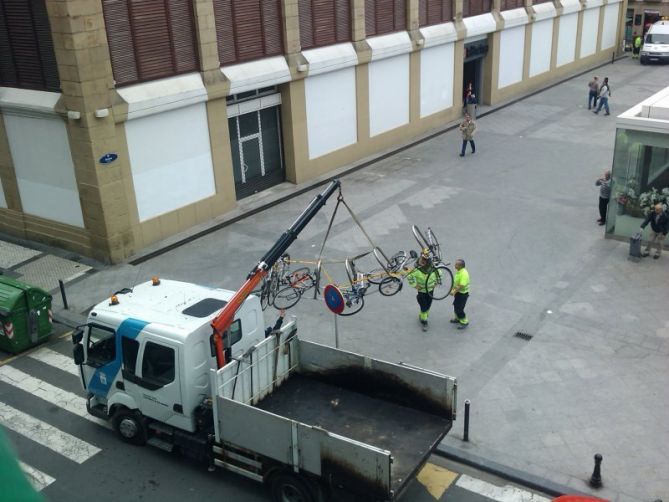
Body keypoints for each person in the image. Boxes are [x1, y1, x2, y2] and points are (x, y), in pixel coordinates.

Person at [406, 249, 440, 332]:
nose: (422, 262)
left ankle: (423, 315)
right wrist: (415, 285)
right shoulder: (417, 270)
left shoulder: (433, 269)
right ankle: (424, 322)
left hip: (430, 290)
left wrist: (437, 283)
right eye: (421, 259)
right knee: (424, 307)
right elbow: (409, 276)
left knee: (428, 304)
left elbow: (440, 274)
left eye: (424, 260)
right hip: (421, 291)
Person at [449, 259, 470, 329]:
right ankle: (457, 318)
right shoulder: (459, 271)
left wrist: (454, 291)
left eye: (456, 264)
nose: (455, 265)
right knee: (456, 305)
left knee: (459, 309)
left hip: (462, 294)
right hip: (459, 293)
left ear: (460, 266)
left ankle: (464, 321)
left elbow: (462, 285)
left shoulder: (464, 273)